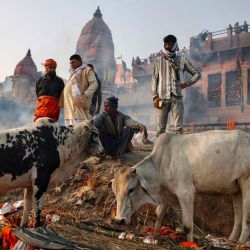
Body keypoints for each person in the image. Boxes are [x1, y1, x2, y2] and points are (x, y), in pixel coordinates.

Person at [151, 34, 201, 135]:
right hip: (161, 99)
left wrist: (187, 83)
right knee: (160, 130)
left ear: (174, 45)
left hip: (176, 99)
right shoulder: (158, 61)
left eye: (170, 43)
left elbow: (197, 74)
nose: (167, 45)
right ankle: (160, 151)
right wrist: (154, 96)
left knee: (178, 130)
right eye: (166, 43)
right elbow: (154, 80)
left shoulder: (182, 60)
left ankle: (178, 151)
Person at [93, 96, 148, 162]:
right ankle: (102, 154)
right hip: (107, 144)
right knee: (99, 128)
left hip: (118, 145)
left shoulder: (121, 116)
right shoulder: (103, 116)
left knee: (129, 129)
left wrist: (140, 126)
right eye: (104, 106)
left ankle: (119, 155)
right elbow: (94, 122)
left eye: (107, 106)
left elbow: (130, 122)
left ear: (114, 107)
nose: (105, 108)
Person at [63, 54, 98, 126]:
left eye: (73, 62)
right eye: (70, 63)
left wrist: (85, 95)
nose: (71, 64)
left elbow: (94, 84)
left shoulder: (87, 70)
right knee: (69, 133)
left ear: (79, 61)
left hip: (78, 108)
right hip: (69, 110)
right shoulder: (73, 73)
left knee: (79, 131)